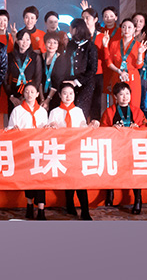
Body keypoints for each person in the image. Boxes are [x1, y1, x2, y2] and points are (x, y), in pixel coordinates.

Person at [47, 83, 96, 220]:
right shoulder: (54, 112)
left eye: (71, 93)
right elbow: (47, 132)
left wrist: (91, 126)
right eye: (65, 93)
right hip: (62, 150)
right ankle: (70, 205)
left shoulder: (78, 111)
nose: (68, 96)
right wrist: (51, 126)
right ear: (59, 95)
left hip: (76, 149)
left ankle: (85, 210)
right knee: (68, 178)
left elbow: (83, 128)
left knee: (79, 180)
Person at [100, 82, 147, 214]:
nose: (125, 97)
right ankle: (110, 192)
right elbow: (102, 129)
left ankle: (138, 200)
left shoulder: (137, 111)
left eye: (127, 93)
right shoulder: (109, 111)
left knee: (135, 173)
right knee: (111, 168)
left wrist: (138, 128)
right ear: (115, 96)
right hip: (115, 148)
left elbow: (145, 127)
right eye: (121, 94)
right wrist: (112, 129)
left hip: (133, 148)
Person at [7, 83, 49, 220]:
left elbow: (46, 130)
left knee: (41, 179)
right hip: (24, 149)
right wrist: (14, 129)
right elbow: (10, 128)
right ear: (23, 94)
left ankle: (41, 209)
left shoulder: (42, 111)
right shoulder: (17, 111)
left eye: (32, 92)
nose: (29, 94)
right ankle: (29, 204)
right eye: (26, 92)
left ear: (37, 94)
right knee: (29, 178)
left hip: (40, 149)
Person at [62, 18, 99, 125]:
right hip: (70, 83)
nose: (69, 30)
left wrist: (77, 81)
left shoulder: (91, 46)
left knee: (81, 111)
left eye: (71, 28)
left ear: (77, 29)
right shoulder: (70, 44)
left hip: (85, 84)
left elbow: (93, 69)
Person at [105, 18, 144, 111]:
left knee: (134, 105)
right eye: (124, 27)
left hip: (132, 78)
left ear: (134, 29)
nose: (126, 30)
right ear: (121, 29)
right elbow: (109, 62)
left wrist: (139, 53)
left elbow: (139, 66)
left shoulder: (139, 45)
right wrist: (119, 71)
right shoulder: (114, 44)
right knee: (117, 105)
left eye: (129, 27)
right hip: (117, 76)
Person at [6, 30, 44, 112]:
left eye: (27, 39)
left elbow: (38, 78)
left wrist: (30, 95)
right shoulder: (10, 56)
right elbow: (5, 77)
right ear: (17, 41)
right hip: (14, 92)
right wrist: (11, 96)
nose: (25, 42)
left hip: (30, 93)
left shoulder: (35, 57)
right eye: (22, 39)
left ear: (30, 41)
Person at [42, 36, 65, 109]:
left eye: (55, 43)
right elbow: (38, 78)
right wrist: (42, 99)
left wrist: (47, 100)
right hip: (41, 93)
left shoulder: (62, 59)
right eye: (49, 42)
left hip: (55, 94)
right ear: (45, 43)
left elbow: (57, 81)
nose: (52, 45)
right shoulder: (40, 57)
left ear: (58, 45)